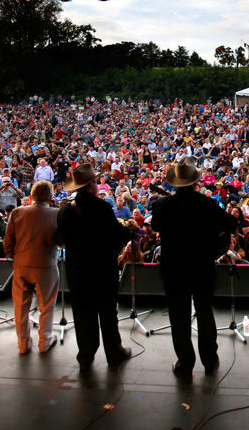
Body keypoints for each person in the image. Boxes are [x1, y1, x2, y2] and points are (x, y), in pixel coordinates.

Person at [151, 157, 235, 383]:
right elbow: (231, 224)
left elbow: (156, 226)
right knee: (205, 313)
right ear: (195, 181)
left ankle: (185, 363)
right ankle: (209, 360)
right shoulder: (206, 204)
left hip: (174, 269)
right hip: (202, 267)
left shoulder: (161, 206)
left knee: (179, 317)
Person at [59, 164, 132, 374]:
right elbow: (118, 235)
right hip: (102, 269)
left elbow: (61, 238)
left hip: (77, 271)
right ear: (91, 185)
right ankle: (114, 353)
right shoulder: (102, 207)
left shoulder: (65, 210)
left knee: (83, 313)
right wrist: (127, 230)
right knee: (108, 312)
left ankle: (85, 355)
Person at [4, 180, 60, 355]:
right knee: (46, 305)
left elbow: (8, 242)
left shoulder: (17, 212)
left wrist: (16, 257)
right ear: (50, 196)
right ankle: (44, 341)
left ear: (32, 195)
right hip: (46, 265)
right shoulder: (56, 214)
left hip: (21, 264)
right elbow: (62, 242)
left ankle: (23, 344)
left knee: (20, 306)